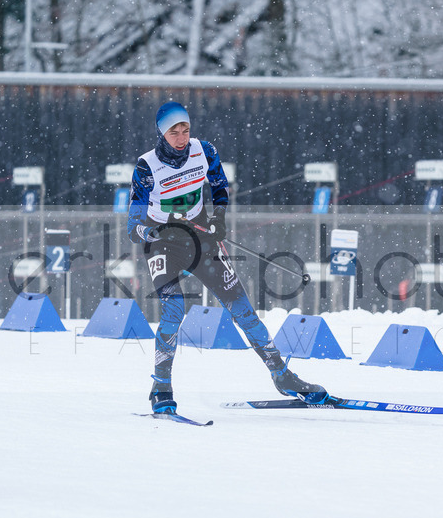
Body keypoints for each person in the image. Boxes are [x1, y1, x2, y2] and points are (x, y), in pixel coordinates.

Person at [128, 101, 327, 415]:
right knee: (174, 309)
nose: (181, 138)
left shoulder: (203, 151)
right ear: (161, 133)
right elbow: (132, 225)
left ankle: (282, 376)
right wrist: (152, 233)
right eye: (173, 132)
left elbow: (220, 186)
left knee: (242, 309)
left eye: (185, 130)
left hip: (200, 239)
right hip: (163, 244)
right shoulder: (146, 166)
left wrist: (217, 219)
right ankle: (161, 385)